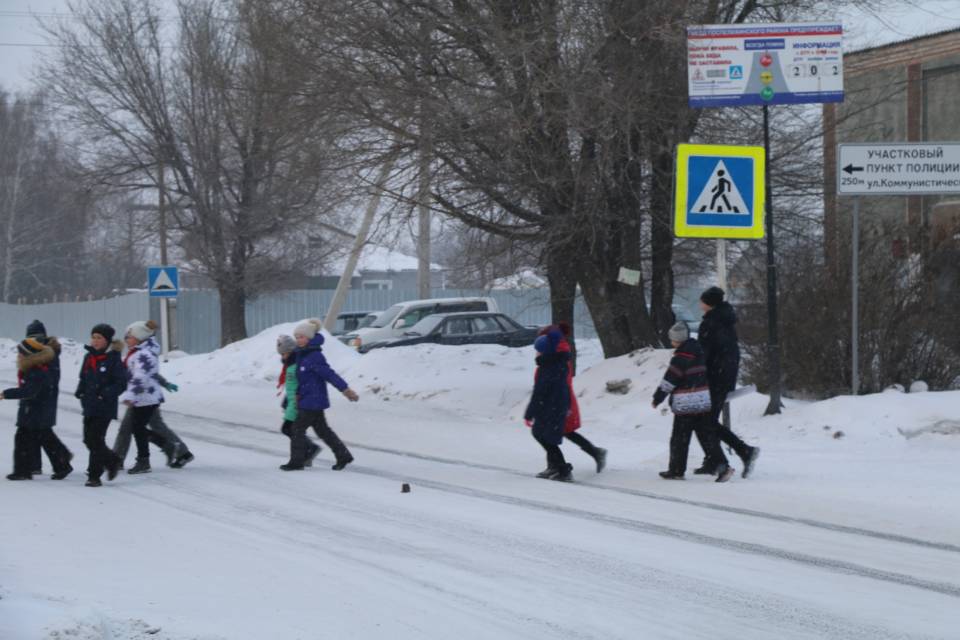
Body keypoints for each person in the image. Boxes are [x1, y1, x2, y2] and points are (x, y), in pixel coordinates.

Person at [653, 323, 734, 482]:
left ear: (678, 340)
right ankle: (723, 466)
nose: (671, 342)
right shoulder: (698, 352)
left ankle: (676, 470)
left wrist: (657, 398)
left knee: (679, 438)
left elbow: (669, 381)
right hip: (702, 401)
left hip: (686, 403)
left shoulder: (681, 358)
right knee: (706, 436)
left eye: (672, 340)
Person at [694, 287, 760, 478]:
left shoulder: (711, 323)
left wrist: (699, 376)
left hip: (714, 378)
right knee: (707, 421)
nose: (700, 304)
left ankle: (743, 452)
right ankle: (715, 459)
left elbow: (704, 354)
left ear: (709, 303)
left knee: (705, 422)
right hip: (725, 376)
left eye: (702, 301)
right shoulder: (725, 320)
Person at [281, 319, 358, 471]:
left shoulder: (314, 356)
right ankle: (343, 456)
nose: (299, 340)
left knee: (297, 429)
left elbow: (329, 374)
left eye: (302, 337)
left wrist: (345, 390)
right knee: (323, 431)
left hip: (313, 400)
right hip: (307, 399)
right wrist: (297, 394)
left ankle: (296, 462)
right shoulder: (302, 354)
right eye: (297, 337)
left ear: (309, 338)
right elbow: (300, 379)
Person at [536, 324, 607, 473]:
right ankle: (593, 453)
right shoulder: (556, 352)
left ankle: (559, 466)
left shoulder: (556, 356)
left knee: (551, 434)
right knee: (561, 432)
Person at [3, 338, 73, 480]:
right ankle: (62, 461)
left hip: (36, 410)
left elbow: (29, 391)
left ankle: (23, 471)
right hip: (37, 410)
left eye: (21, 353)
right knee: (45, 437)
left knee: (24, 438)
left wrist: (6, 394)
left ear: (29, 354)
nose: (18, 356)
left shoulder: (36, 370)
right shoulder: (35, 367)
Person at [75, 324, 125, 487]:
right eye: (93, 337)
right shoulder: (89, 357)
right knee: (88, 440)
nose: (95, 341)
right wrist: (80, 391)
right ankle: (112, 461)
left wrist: (105, 393)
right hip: (89, 404)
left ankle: (94, 475)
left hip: (105, 406)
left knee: (95, 439)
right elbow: (83, 377)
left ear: (107, 340)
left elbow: (121, 383)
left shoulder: (113, 359)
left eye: (99, 338)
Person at [524, 328, 573, 482]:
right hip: (555, 406)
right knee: (545, 435)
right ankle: (554, 466)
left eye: (538, 351)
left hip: (550, 407)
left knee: (544, 436)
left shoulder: (548, 368)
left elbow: (539, 392)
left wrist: (529, 413)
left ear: (545, 352)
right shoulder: (557, 364)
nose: (536, 354)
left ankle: (562, 469)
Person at [119, 320, 166, 475]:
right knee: (137, 428)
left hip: (146, 398)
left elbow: (140, 377)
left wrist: (130, 395)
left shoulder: (143, 355)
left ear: (139, 338)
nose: (127, 340)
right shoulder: (138, 353)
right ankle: (158, 448)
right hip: (144, 397)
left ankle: (145, 460)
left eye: (129, 337)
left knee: (138, 428)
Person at [25, 319, 69, 475]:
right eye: (31, 337)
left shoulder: (49, 352)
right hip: (37, 396)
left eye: (37, 336)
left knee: (42, 431)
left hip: (45, 397)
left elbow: (48, 377)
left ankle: (62, 459)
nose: (34, 340)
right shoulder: (35, 351)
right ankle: (37, 464)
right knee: (35, 430)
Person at [276, 334, 321, 466]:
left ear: (290, 351)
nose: (282, 357)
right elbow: (291, 385)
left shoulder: (296, 364)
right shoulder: (290, 364)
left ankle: (309, 450)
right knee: (293, 429)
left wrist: (298, 398)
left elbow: (302, 383)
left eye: (284, 354)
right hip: (292, 401)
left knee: (290, 429)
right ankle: (306, 452)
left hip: (297, 401)